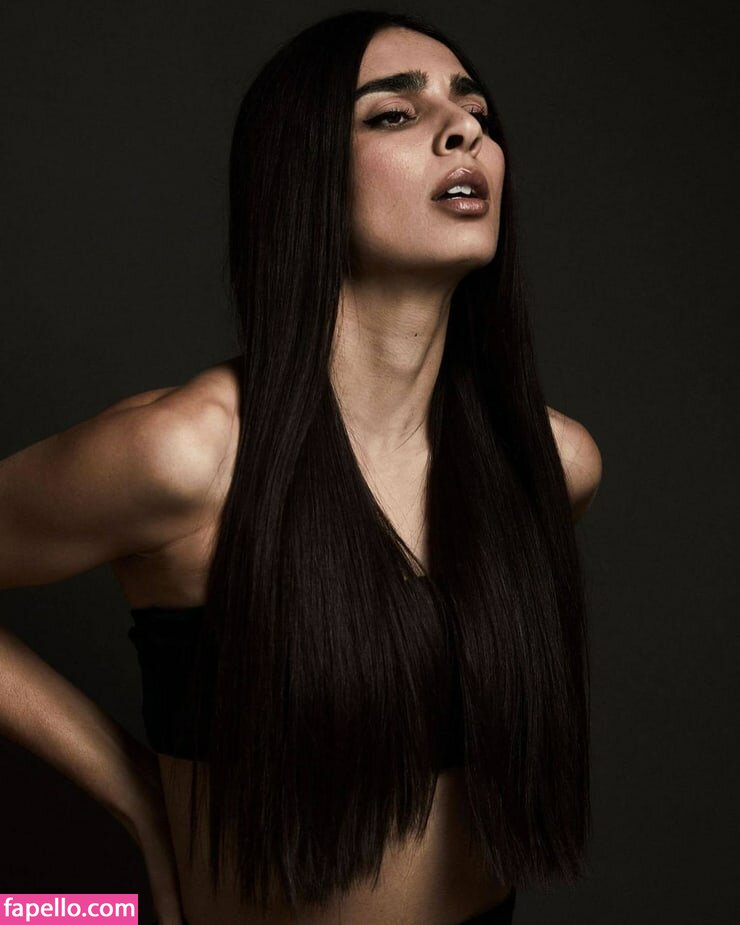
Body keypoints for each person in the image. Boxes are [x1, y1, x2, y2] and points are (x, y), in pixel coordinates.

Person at [0, 9, 602, 924]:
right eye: (394, 113)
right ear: (302, 175)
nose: (464, 129)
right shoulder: (191, 455)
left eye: (474, 110)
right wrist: (133, 790)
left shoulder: (549, 464)